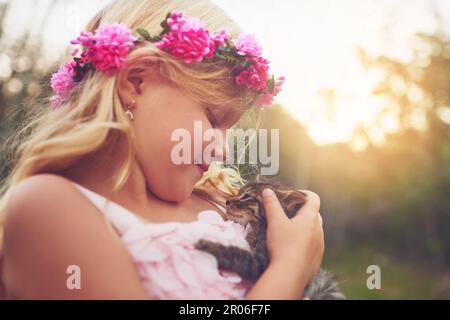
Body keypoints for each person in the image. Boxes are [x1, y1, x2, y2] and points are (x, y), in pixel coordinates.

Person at [0, 0, 324, 299]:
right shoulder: (49, 208)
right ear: (136, 81)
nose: (222, 151)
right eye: (212, 119)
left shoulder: (219, 199)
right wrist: (290, 268)